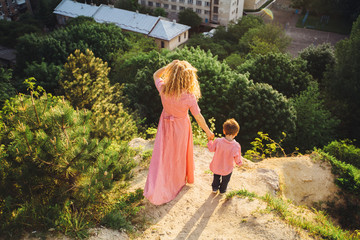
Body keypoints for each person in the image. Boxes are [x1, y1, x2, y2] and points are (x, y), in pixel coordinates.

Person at [144, 60, 214, 205]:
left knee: (165, 155)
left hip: (165, 125)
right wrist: (208, 132)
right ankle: (178, 181)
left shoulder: (163, 88)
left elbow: (156, 75)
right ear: (188, 78)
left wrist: (169, 66)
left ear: (173, 75)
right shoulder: (189, 96)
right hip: (181, 127)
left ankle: (163, 183)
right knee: (178, 155)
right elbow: (198, 117)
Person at [207, 118, 242, 195]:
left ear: (224, 131)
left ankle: (215, 188)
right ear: (236, 133)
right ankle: (222, 190)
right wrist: (239, 163)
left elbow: (211, 149)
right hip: (227, 167)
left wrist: (210, 141)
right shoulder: (236, 146)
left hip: (217, 165)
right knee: (226, 180)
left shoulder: (218, 141)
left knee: (216, 177)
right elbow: (237, 157)